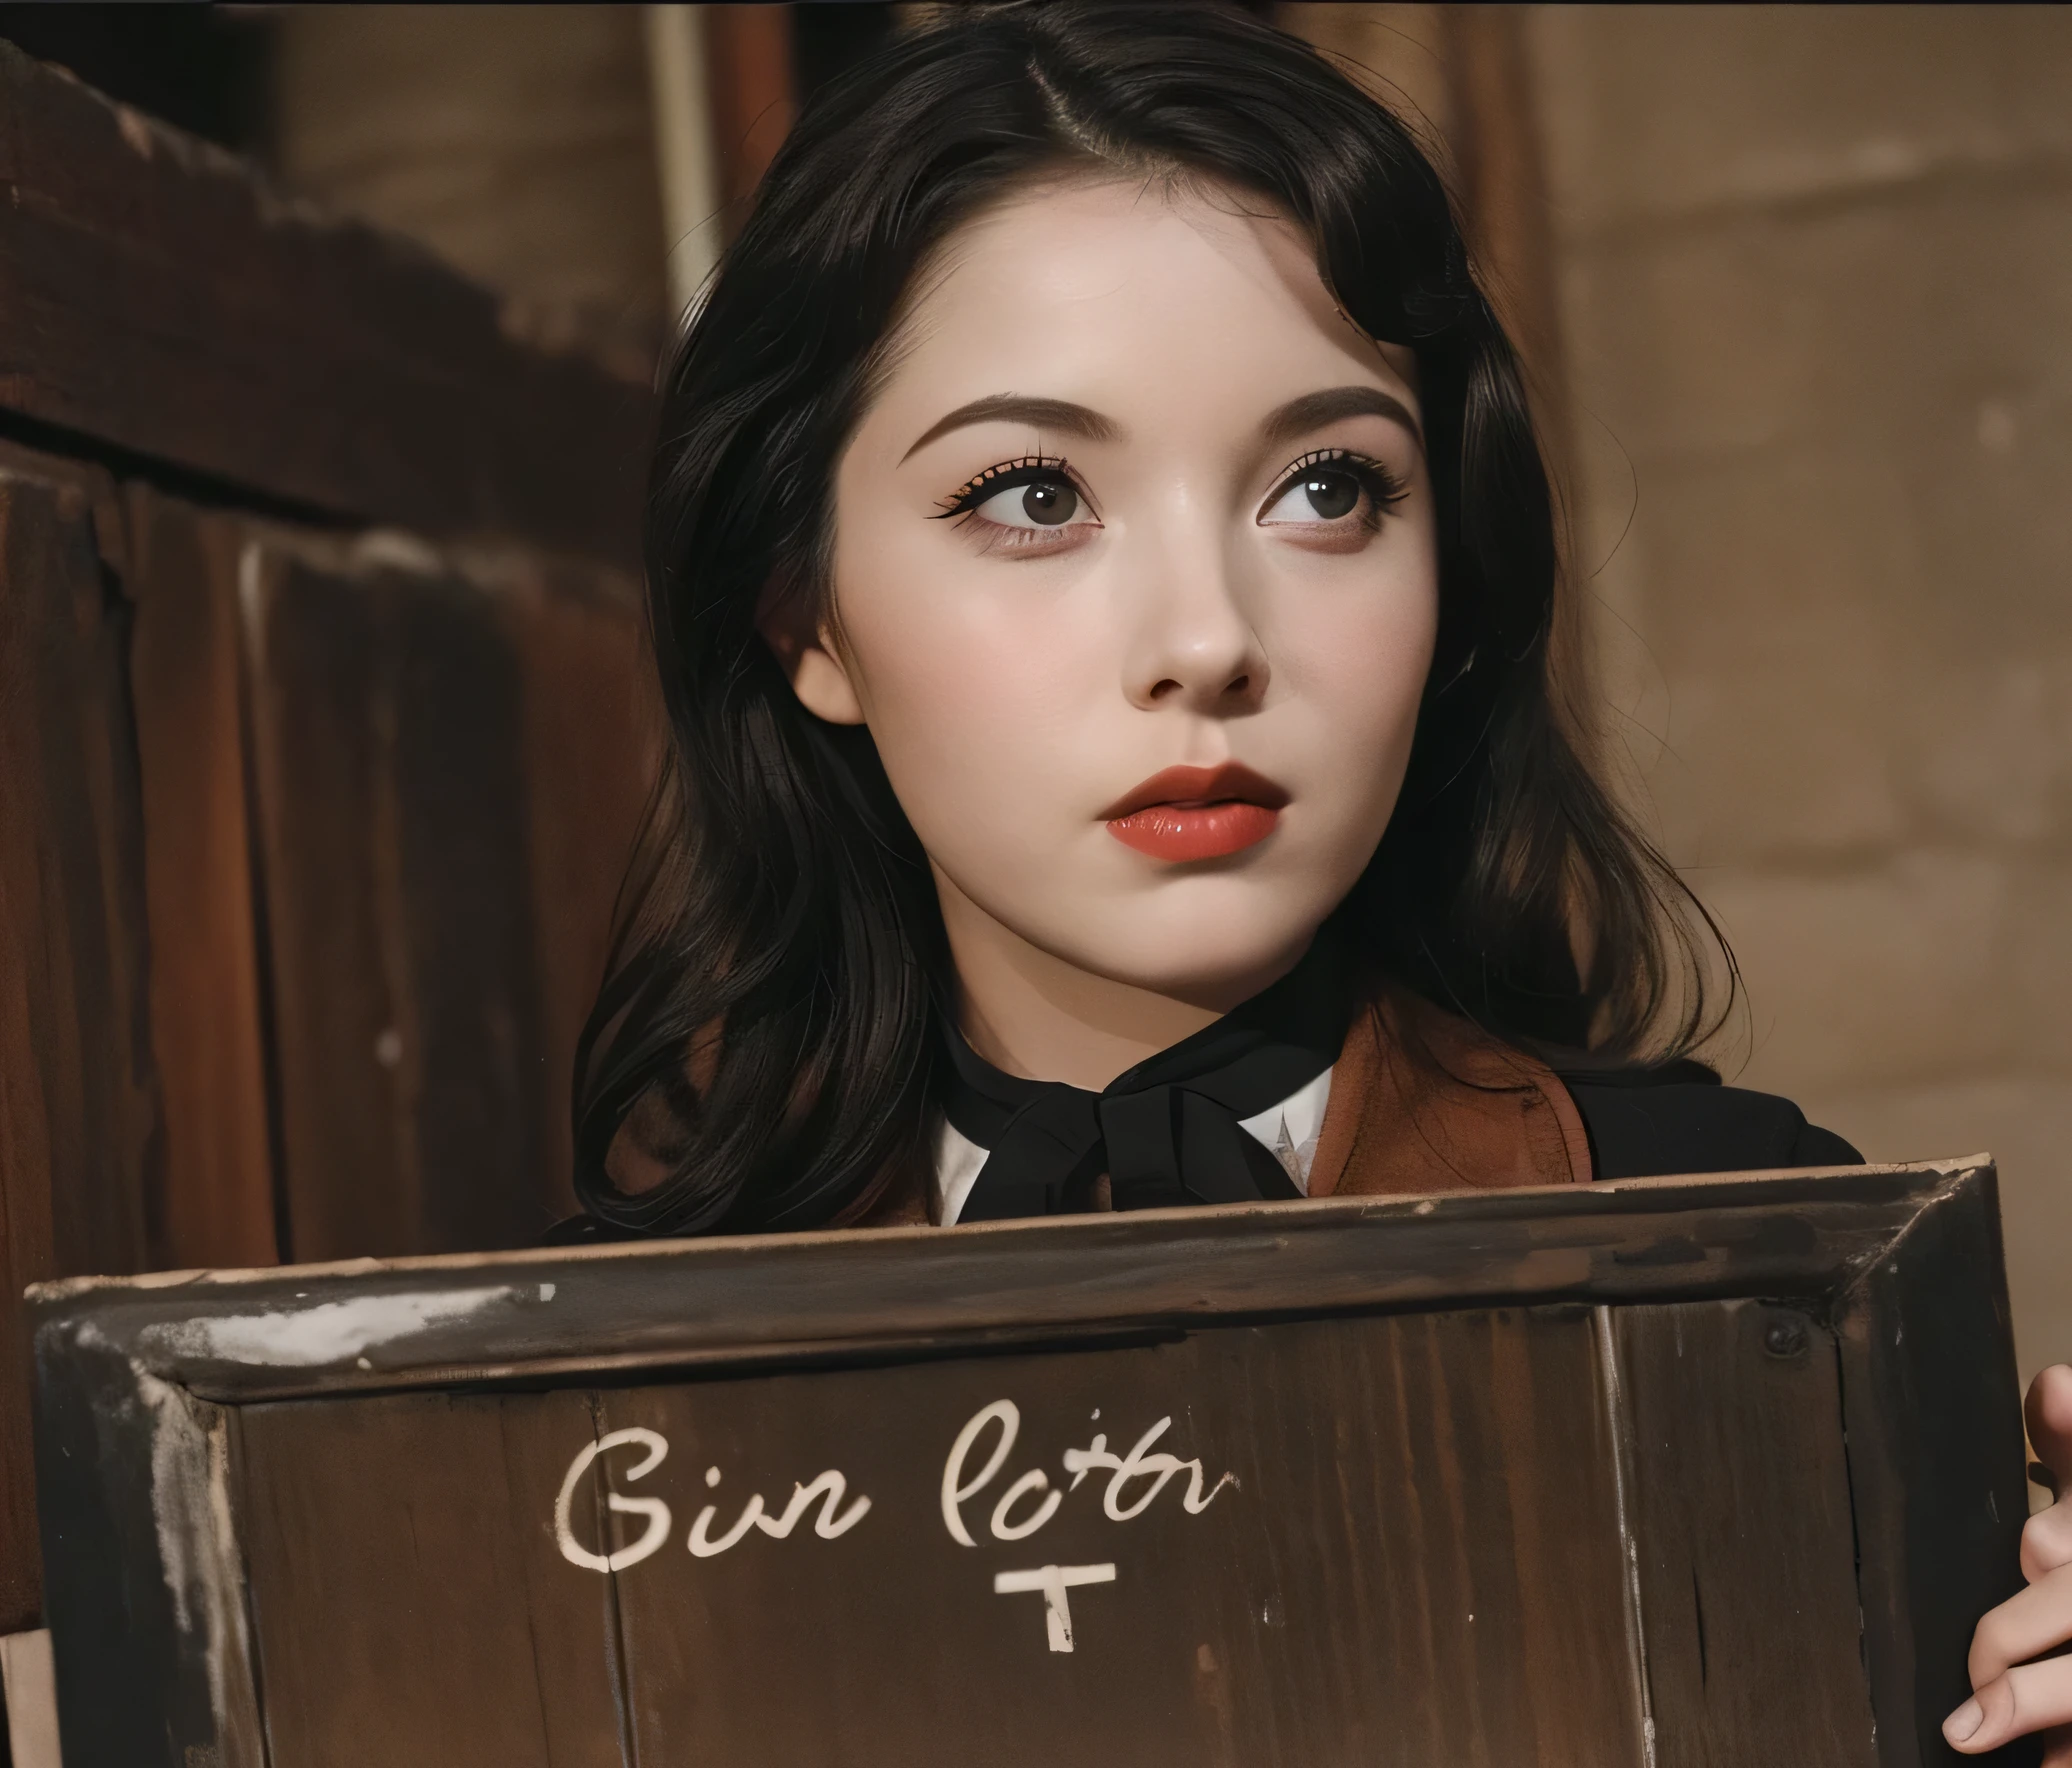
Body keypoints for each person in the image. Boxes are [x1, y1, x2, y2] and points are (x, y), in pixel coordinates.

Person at [562, 3, 2071, 1753]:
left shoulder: (1752, 1270)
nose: (1206, 641)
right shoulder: (586, 1395)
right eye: (1034, 492)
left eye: (1329, 486)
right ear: (804, 612)